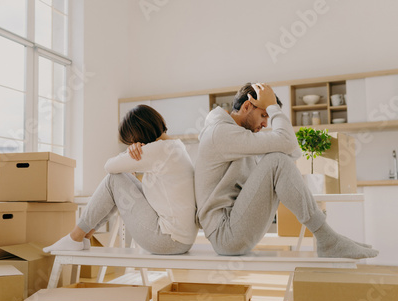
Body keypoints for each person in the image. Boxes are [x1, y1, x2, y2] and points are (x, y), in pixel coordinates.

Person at [194, 82, 379, 259]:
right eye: (264, 115)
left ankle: (329, 238)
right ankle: (328, 238)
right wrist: (274, 107)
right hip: (225, 234)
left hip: (234, 227)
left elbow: (292, 151)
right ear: (247, 106)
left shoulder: (239, 136)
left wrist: (272, 108)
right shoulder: (220, 133)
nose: (266, 124)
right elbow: (286, 147)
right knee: (276, 160)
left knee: (278, 158)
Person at [44, 105, 198, 255]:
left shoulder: (160, 149)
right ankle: (84, 236)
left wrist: (128, 152)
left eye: (132, 141)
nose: (133, 145)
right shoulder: (176, 147)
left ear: (140, 134)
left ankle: (75, 236)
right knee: (124, 181)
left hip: (167, 240)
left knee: (114, 179)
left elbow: (109, 167)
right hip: (181, 240)